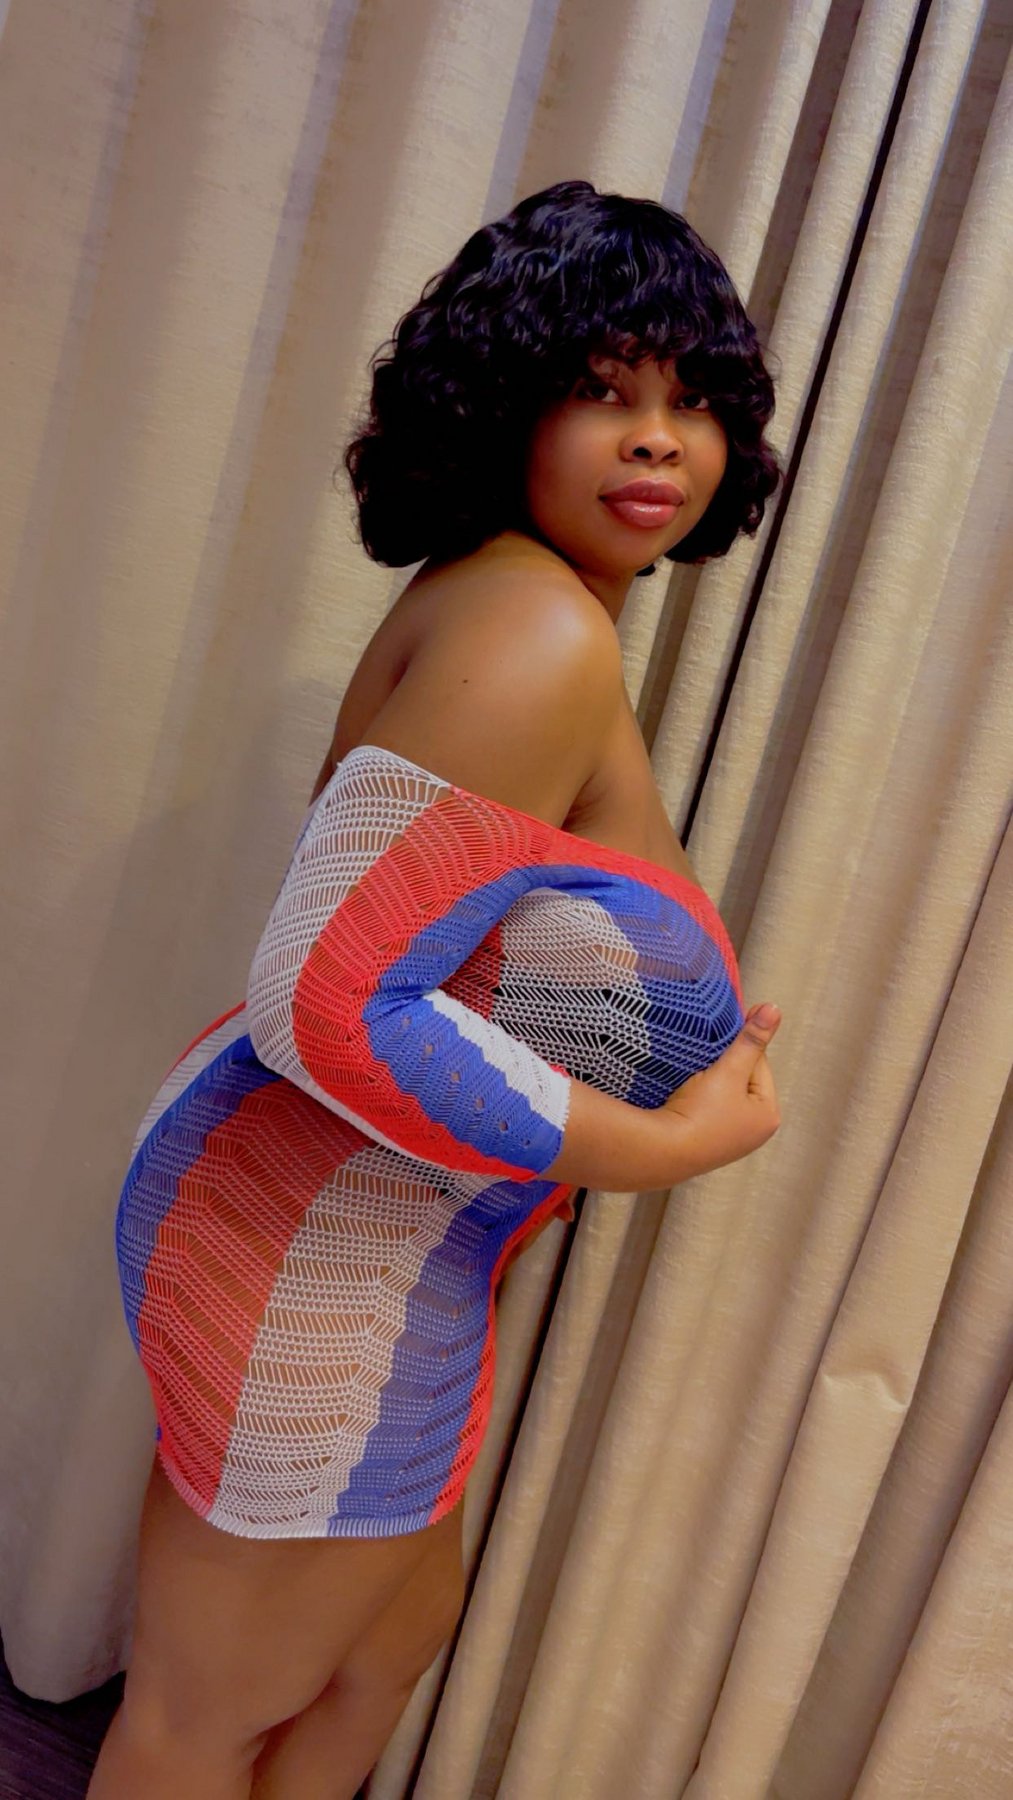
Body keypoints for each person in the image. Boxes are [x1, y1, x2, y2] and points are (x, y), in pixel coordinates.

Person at [89, 179, 784, 1800]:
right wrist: (667, 1144)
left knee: (379, 1653)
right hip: (312, 1241)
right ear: (504, 402)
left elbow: (448, 954)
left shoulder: (524, 608)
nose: (657, 436)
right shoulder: (536, 634)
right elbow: (329, 1004)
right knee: (209, 1714)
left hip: (379, 1236)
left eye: (692, 398)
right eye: (602, 387)